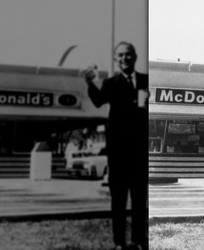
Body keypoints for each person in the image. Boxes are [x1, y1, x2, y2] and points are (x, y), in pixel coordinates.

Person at [84, 42, 148, 250]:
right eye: (120, 55)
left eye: (128, 55)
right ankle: (119, 243)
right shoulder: (111, 84)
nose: (124, 59)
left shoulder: (146, 82)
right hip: (118, 155)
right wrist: (90, 84)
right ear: (115, 58)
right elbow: (99, 101)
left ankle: (138, 241)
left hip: (138, 154)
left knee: (139, 202)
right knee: (118, 203)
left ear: (135, 57)